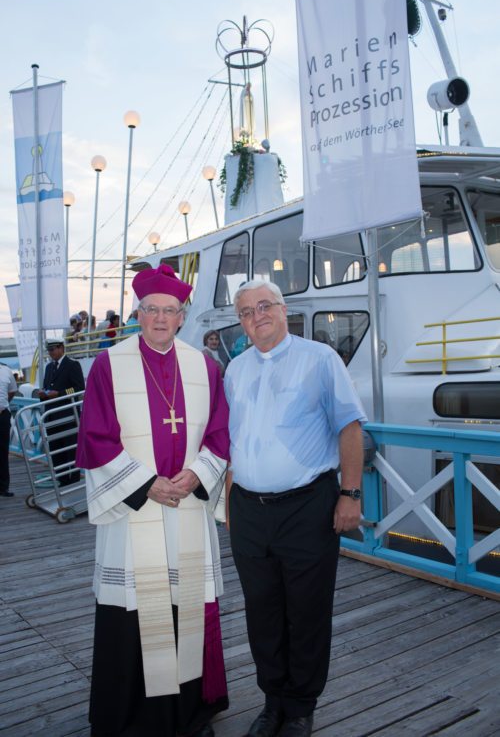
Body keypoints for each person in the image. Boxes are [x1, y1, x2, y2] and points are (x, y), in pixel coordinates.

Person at [76, 263, 230, 737]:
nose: (161, 319)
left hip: (186, 502)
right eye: (151, 311)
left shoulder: (204, 366)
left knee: (186, 607)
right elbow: (96, 437)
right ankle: (130, 717)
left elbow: (222, 432)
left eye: (170, 311)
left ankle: (188, 714)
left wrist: (195, 475)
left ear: (183, 316)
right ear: (137, 314)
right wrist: (146, 484)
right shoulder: (109, 364)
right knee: (133, 612)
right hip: (136, 509)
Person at [224, 280, 367, 737]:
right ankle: (272, 703)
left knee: (306, 611)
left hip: (307, 506)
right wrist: (229, 506)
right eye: (246, 311)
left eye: (264, 306)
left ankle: (301, 708)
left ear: (284, 310)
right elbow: (232, 444)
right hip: (248, 509)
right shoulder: (234, 370)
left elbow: (349, 428)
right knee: (261, 611)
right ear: (241, 322)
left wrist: (351, 494)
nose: (256, 315)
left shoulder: (320, 359)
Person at [38, 339, 85, 486]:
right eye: (49, 351)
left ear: (61, 348)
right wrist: (43, 394)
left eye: (53, 350)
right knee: (56, 450)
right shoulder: (49, 367)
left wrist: (59, 394)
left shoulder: (72, 365)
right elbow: (48, 386)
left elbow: (79, 388)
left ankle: (74, 481)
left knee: (71, 450)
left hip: (68, 416)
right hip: (52, 416)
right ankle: (62, 480)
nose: (51, 353)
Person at [0, 363, 18, 497]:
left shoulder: (6, 370)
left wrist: (3, 403)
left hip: (2, 415)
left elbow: (12, 390)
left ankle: (3, 487)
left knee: (2, 451)